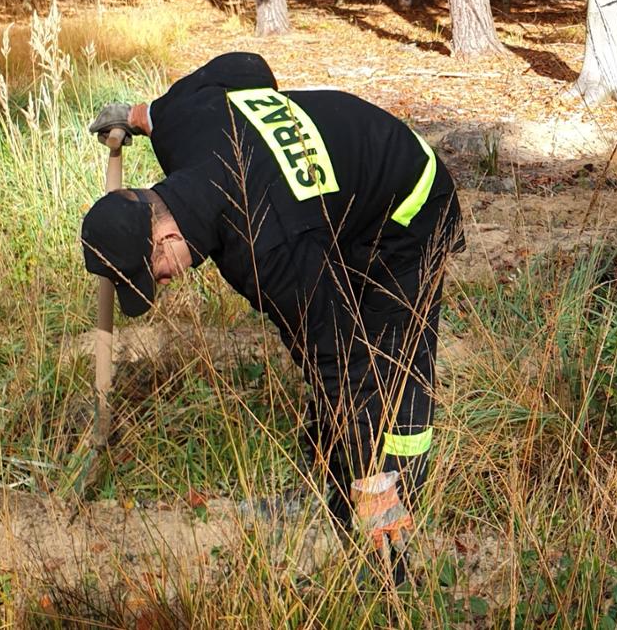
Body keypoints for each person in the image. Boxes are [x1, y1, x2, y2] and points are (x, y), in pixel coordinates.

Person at [81, 53, 461, 577]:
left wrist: (373, 483)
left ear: (165, 235)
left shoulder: (264, 246)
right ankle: (343, 471)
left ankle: (397, 507)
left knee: (389, 361)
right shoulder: (182, 124)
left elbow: (336, 355)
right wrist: (141, 113)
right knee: (338, 352)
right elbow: (245, 68)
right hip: (337, 210)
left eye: (156, 273)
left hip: (410, 204)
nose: (164, 283)